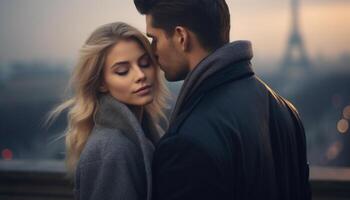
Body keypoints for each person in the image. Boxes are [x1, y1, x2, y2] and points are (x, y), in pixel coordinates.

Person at [134, 0, 311, 199]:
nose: (152, 51)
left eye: (154, 38)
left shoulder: (185, 142)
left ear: (181, 37)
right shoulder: (287, 111)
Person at [49, 22, 168, 200]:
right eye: (122, 71)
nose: (140, 75)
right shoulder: (112, 150)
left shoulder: (144, 133)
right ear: (101, 83)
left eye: (145, 63)